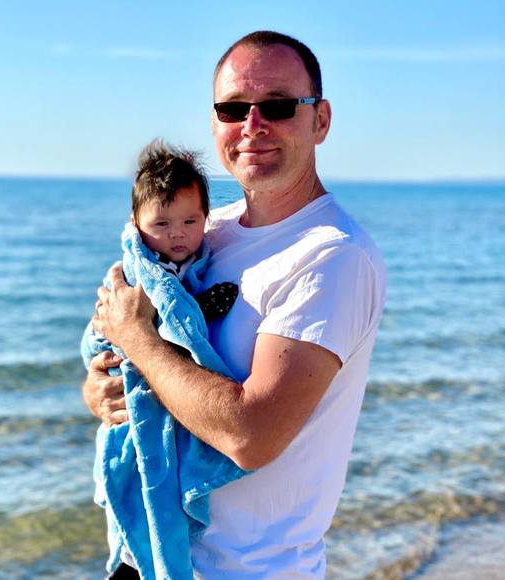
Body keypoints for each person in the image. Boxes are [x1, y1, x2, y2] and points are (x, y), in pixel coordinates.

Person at [85, 30, 387, 579]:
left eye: (277, 105)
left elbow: (250, 435)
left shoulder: (332, 257)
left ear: (320, 121)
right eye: (233, 108)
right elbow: (116, 333)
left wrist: (138, 342)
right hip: (146, 554)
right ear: (214, 122)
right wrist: (103, 389)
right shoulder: (200, 232)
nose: (253, 124)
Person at [82, 140, 243, 579]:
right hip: (134, 391)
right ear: (135, 224)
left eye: (190, 221)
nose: (177, 234)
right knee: (141, 494)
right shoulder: (138, 272)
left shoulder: (198, 260)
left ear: (206, 217)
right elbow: (114, 331)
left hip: (175, 391)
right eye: (162, 224)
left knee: (161, 501)